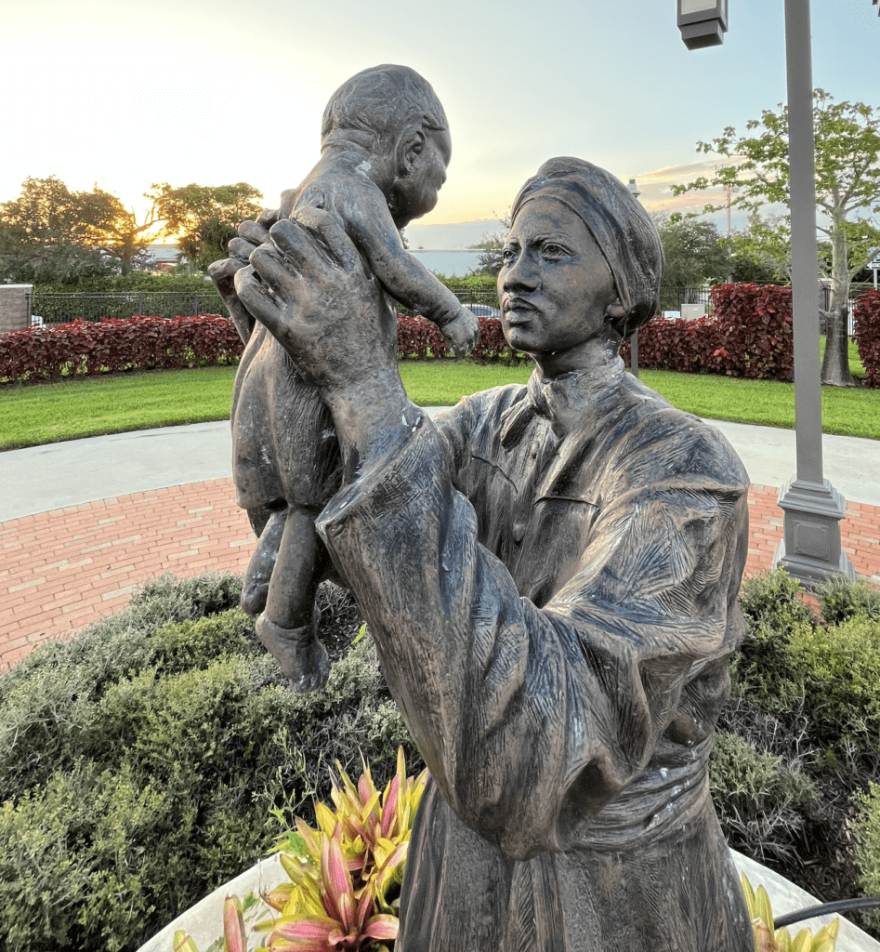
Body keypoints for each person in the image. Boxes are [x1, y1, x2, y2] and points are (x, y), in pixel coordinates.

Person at [217, 156, 754, 951]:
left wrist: (368, 382)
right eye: (510, 253)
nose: (517, 275)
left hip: (613, 899)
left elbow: (544, 752)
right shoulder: (487, 422)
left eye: (551, 252)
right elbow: (332, 512)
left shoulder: (683, 473)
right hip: (461, 875)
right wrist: (287, 354)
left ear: (624, 290)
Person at [209, 65, 478, 692]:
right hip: (311, 379)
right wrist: (451, 312)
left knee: (299, 501)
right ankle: (286, 621)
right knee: (317, 500)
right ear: (412, 149)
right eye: (440, 174)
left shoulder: (306, 189)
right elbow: (395, 266)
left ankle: (266, 573)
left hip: (271, 368)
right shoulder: (355, 188)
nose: (437, 187)